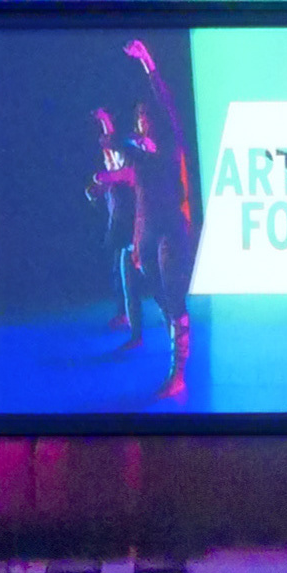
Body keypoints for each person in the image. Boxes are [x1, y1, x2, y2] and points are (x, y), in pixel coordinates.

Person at [115, 39, 197, 401]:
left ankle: (177, 373)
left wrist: (147, 62)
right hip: (148, 230)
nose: (143, 120)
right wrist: (136, 239)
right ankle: (177, 335)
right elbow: (138, 200)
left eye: (148, 116)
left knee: (174, 295)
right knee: (160, 296)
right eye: (140, 117)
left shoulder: (170, 144)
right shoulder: (139, 153)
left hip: (171, 228)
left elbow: (165, 102)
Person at [84, 109, 141, 334]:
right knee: (119, 270)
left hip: (129, 220)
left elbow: (120, 173)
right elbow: (108, 161)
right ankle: (124, 313)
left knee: (133, 269)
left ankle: (137, 313)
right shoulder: (111, 157)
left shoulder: (125, 157)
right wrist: (98, 189)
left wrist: (105, 118)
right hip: (117, 220)